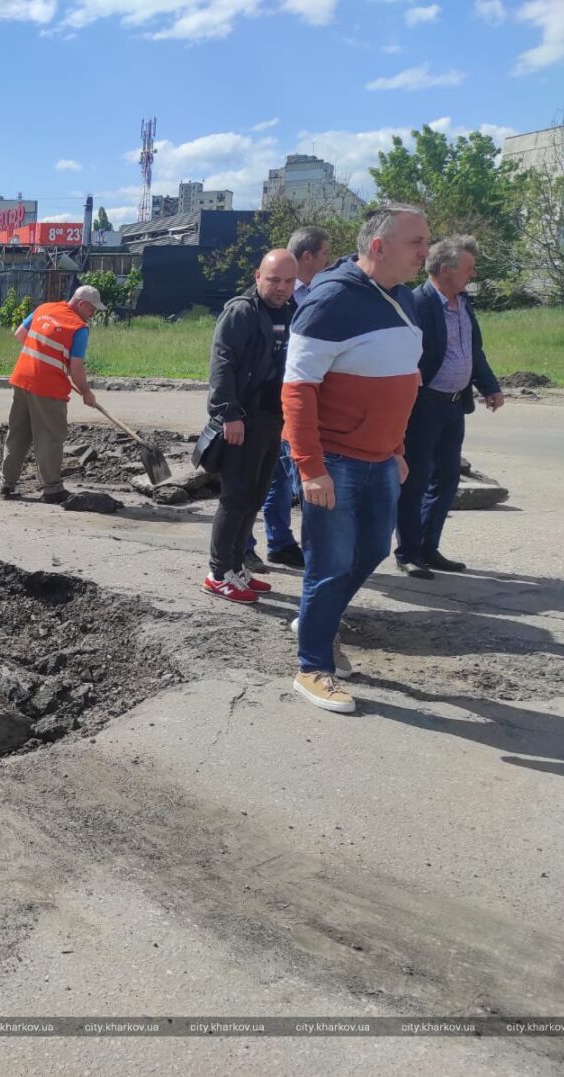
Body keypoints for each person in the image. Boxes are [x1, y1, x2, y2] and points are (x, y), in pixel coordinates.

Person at [283, 203, 430, 714]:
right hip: (335, 459)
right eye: (416, 242)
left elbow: (400, 380)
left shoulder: (402, 297)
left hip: (381, 458)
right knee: (329, 564)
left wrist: (397, 448)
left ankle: (315, 621)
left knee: (371, 551)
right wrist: (310, 467)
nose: (425, 251)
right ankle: (312, 667)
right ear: (379, 247)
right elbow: (297, 389)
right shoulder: (331, 300)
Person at [394, 235, 504, 579]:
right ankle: (408, 552)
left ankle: (428, 547)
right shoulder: (418, 303)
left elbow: (473, 349)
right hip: (424, 405)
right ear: (445, 269)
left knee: (446, 480)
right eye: (468, 268)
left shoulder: (463, 303)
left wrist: (490, 386)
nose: (473, 273)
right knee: (415, 481)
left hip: (455, 405)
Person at [202, 249, 297, 603]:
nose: (281, 288)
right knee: (235, 497)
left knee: (254, 497)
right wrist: (229, 414)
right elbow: (222, 362)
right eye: (274, 280)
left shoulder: (290, 311)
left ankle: (237, 565)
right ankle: (218, 574)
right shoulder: (241, 312)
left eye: (288, 281)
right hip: (243, 418)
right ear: (258, 276)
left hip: (273, 419)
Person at [245, 226, 333, 571]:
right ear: (307, 256)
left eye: (287, 281)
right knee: (258, 480)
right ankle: (243, 546)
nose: (329, 261)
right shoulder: (261, 301)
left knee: (281, 479)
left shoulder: (316, 295)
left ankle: (280, 542)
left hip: (296, 401)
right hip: (265, 404)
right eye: (325, 255)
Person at [0, 284, 107, 504]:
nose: (93, 314)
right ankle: (52, 490)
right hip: (48, 388)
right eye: (92, 309)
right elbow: (76, 368)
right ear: (81, 304)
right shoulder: (78, 328)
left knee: (18, 433)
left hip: (22, 378)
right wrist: (86, 393)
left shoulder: (44, 308)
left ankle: (6, 484)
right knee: (50, 437)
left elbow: (20, 334)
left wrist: (45, 357)